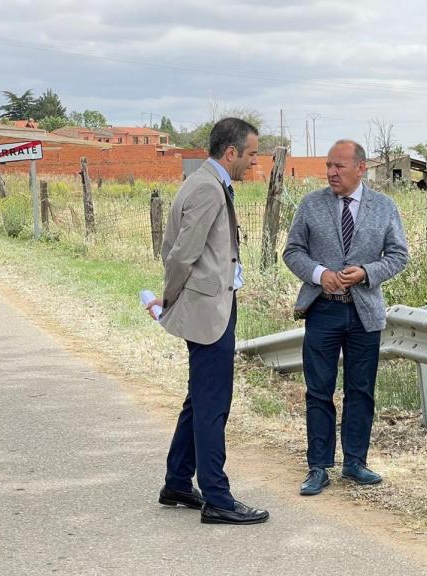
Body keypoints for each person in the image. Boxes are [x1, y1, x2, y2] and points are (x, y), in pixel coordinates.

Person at [145, 117, 270, 525]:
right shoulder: (207, 188)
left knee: (200, 398)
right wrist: (170, 297)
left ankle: (178, 482)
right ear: (231, 152)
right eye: (251, 154)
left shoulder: (207, 182)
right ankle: (217, 497)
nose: (254, 161)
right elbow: (181, 254)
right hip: (207, 312)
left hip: (212, 306)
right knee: (213, 404)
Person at [282, 140, 409, 496]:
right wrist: (320, 274)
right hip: (323, 309)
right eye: (328, 165)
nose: (331, 172)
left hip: (364, 313)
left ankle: (355, 462)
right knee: (318, 390)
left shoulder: (384, 207)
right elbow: (292, 251)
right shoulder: (311, 204)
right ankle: (318, 466)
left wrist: (367, 272)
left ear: (361, 168)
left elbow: (399, 255)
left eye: (339, 166)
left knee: (361, 390)